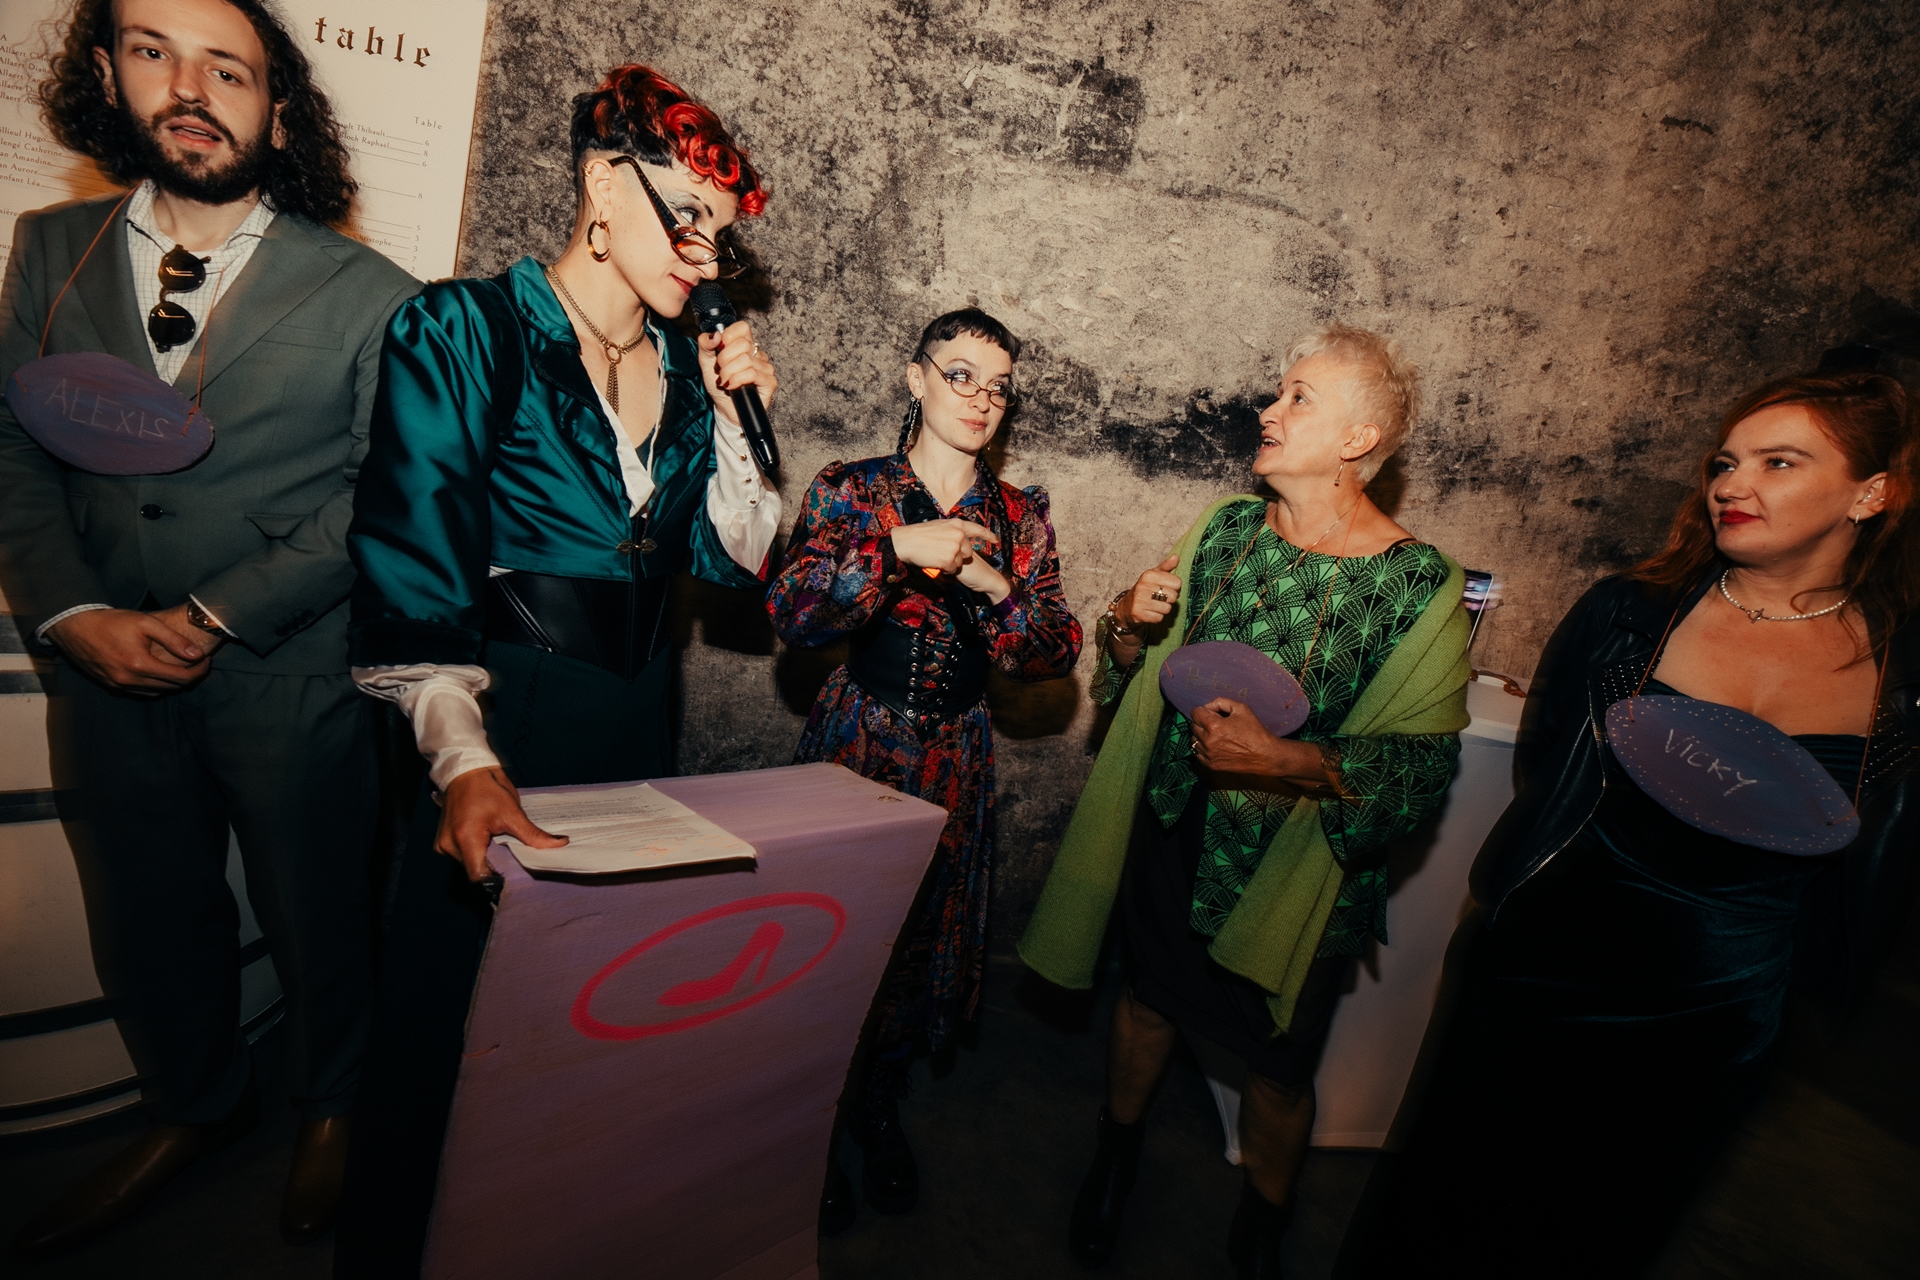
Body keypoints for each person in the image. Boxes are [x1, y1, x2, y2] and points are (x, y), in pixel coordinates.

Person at [332, 65, 779, 1276]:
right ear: (598, 180)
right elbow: (415, 572)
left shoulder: (693, 372)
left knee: (579, 1015)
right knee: (442, 1018)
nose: (702, 256)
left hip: (638, 718)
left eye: (720, 240)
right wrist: (465, 765)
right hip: (496, 714)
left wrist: (741, 422)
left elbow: (733, 566)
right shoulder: (462, 328)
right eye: (685, 218)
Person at [1342, 369, 1920, 1278]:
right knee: (1446, 1213)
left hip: (1718, 1018)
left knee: (1599, 1234)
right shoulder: (1627, 616)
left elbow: (1883, 862)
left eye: (1779, 461)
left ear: (1872, 491)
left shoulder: (1906, 679)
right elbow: (1552, 776)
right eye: (1725, 463)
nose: (1733, 484)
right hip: (1541, 973)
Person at [0, 0, 418, 1256]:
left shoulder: (372, 291)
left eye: (226, 68)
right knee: (142, 906)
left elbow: (378, 492)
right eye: (151, 52)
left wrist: (213, 611)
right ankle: (195, 1102)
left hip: (287, 672)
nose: (188, 87)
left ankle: (333, 1100)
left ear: (276, 107)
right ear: (105, 75)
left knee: (316, 905)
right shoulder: (47, 247)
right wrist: (74, 614)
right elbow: (15, 455)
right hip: (99, 669)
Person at [1020, 323, 1471, 1277]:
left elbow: (1422, 768)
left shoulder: (1417, 583)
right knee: (1146, 1001)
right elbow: (1142, 670)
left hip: (1297, 866)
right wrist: (1127, 624)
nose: (1268, 411)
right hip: (1177, 820)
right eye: (1278, 391)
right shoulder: (1225, 527)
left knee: (1277, 1062)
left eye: (1298, 396)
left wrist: (1290, 762)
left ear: (1360, 438)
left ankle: (1264, 1219)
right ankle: (1117, 1153)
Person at [767, 309, 1083, 1228]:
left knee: (916, 943)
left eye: (997, 386)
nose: (981, 399)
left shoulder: (1020, 516)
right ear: (916, 379)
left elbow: (1055, 651)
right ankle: (810, 1123)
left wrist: (991, 587)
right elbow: (791, 612)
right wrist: (896, 551)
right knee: (830, 939)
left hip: (956, 753)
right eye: (960, 375)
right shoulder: (852, 490)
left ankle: (878, 1102)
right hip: (858, 740)